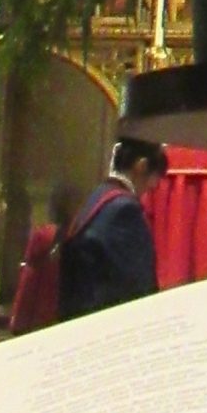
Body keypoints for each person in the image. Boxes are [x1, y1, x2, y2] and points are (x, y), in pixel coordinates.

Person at [58, 137, 170, 321]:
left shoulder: (99, 194)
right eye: (153, 180)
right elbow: (137, 285)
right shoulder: (124, 210)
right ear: (141, 166)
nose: (152, 188)